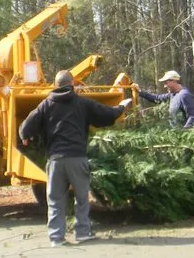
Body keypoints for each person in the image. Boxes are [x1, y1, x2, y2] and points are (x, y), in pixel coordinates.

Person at [19, 69, 131, 247]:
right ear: (72, 84)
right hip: (77, 158)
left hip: (55, 160)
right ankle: (82, 233)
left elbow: (26, 128)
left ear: (55, 86)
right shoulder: (82, 103)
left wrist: (25, 136)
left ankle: (56, 238)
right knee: (81, 197)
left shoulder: (45, 105)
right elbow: (106, 116)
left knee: (55, 200)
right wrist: (122, 106)